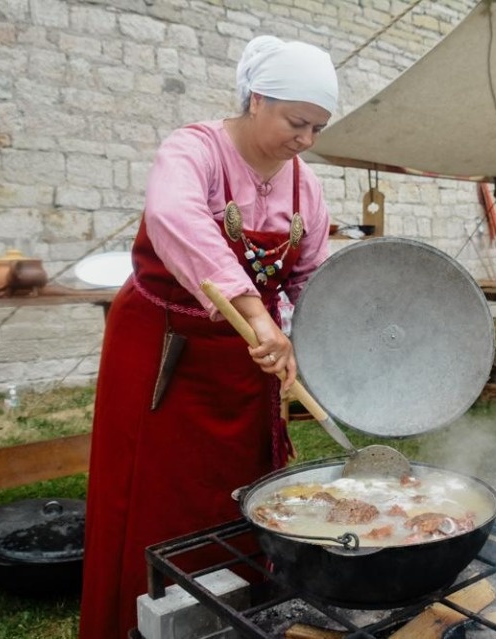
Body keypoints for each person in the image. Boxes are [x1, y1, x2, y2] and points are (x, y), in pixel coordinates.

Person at [78, 35, 338, 639]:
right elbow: (181, 224)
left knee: (236, 493)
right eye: (296, 122)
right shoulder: (193, 150)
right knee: (156, 496)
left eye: (318, 128)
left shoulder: (306, 186)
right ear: (256, 100)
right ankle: (135, 618)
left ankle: (235, 615)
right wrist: (258, 313)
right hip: (166, 353)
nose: (306, 140)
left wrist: (313, 336)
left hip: (248, 363)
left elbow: (313, 274)